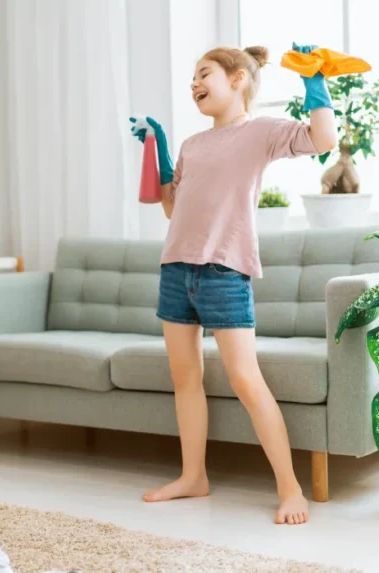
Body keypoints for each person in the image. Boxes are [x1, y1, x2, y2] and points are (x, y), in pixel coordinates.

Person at [130, 43, 337, 525]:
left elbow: (323, 139)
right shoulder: (192, 145)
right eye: (192, 80)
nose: (195, 85)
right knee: (185, 380)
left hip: (225, 270)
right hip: (176, 270)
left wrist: (314, 83)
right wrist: (159, 147)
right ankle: (192, 477)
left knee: (246, 378)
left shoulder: (260, 132)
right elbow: (170, 208)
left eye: (204, 74)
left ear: (239, 78)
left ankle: (291, 490)